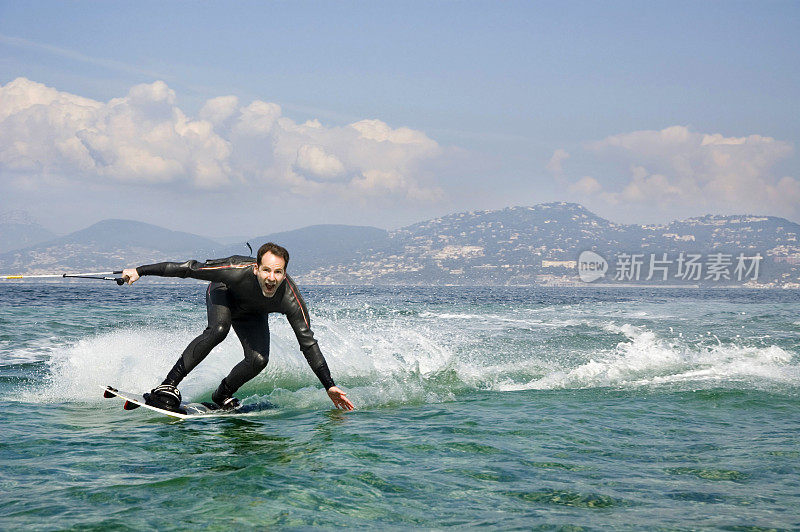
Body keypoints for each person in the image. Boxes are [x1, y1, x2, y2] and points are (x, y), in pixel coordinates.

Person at [121, 242, 354, 412]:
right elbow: (188, 269)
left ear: (284, 274)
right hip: (224, 293)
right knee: (218, 330)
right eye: (266, 270)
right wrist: (140, 271)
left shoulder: (290, 299)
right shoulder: (235, 269)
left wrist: (329, 386)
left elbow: (308, 343)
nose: (271, 278)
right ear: (256, 268)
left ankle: (222, 394)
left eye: (278, 272)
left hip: (252, 313)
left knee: (259, 359)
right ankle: (168, 385)